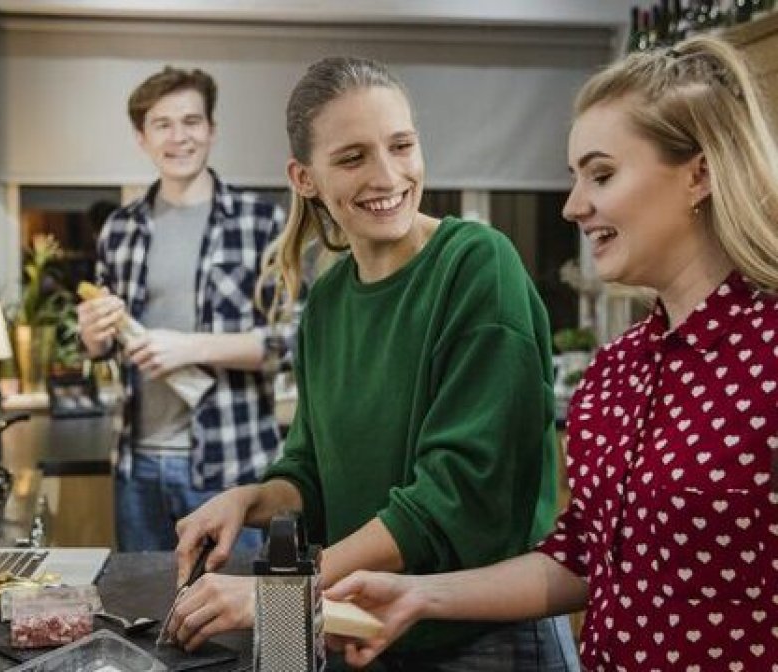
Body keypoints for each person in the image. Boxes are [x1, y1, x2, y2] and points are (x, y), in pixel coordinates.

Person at [321, 35, 778, 671]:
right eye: (574, 177)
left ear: (699, 172)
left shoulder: (768, 354)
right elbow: (579, 560)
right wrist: (417, 595)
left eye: (603, 174)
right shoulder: (615, 373)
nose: (574, 205)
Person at [166, 57, 579, 670]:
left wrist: (283, 595)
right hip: (369, 632)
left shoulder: (477, 266)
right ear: (304, 178)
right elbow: (310, 472)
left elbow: (453, 499)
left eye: (402, 145)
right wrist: (248, 500)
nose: (388, 175)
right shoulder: (329, 303)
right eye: (353, 157)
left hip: (482, 641)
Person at [77, 66, 295, 553]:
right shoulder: (119, 229)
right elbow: (104, 347)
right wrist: (93, 336)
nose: (179, 137)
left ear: (212, 130)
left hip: (232, 466)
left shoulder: (261, 222)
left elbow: (294, 341)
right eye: (163, 124)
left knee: (239, 619)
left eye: (192, 121)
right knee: (146, 620)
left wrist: (189, 347)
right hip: (138, 469)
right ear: (142, 137)